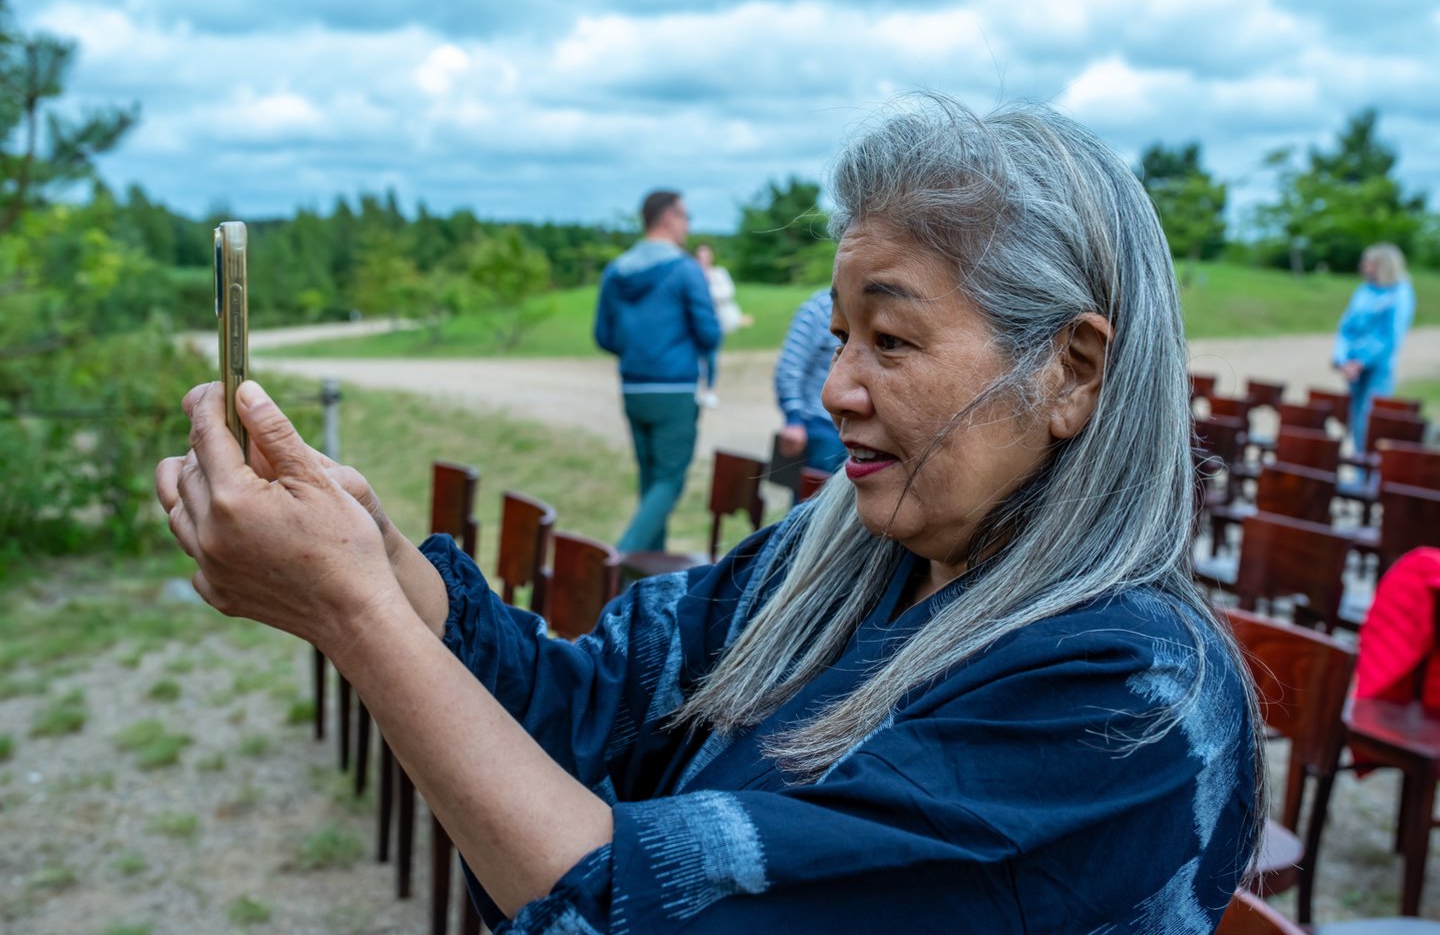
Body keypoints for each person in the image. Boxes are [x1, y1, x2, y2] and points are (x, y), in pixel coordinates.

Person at [155, 97, 1261, 933]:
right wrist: (374, 552)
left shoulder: (1128, 703)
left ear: (1072, 371)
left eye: (891, 340)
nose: (835, 387)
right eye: (839, 335)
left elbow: (645, 912)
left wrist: (356, 615)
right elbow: (581, 706)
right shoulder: (836, 560)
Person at [593, 190, 722, 551]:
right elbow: (710, 333)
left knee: (651, 483)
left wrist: (638, 352)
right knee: (669, 480)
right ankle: (616, 561)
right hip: (674, 389)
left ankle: (642, 574)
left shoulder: (616, 271)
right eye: (686, 216)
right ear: (668, 218)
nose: (688, 225)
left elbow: (603, 335)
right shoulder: (685, 269)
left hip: (633, 388)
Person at [1332, 242, 1416, 450]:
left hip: (1379, 366)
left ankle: (1367, 465)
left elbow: (1390, 335)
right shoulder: (1364, 290)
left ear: (1383, 265)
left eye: (1368, 263)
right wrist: (1342, 358)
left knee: (1371, 418)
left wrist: (1360, 361)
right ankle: (1359, 459)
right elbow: (1346, 327)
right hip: (1353, 365)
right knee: (1354, 414)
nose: (1363, 266)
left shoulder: (1400, 293)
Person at [774, 287, 847, 473]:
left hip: (857, 428)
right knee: (814, 490)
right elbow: (790, 367)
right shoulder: (820, 308)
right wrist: (794, 419)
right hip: (820, 426)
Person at [694, 243, 748, 408]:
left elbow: (728, 292)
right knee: (696, 359)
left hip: (716, 323)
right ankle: (696, 390)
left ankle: (710, 390)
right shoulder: (693, 274)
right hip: (695, 324)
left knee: (711, 358)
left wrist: (708, 289)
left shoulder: (719, 273)